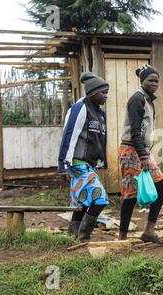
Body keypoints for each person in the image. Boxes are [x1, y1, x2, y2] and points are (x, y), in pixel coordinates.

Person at [119, 64, 163, 244]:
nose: (154, 83)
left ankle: (149, 231)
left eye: (157, 81)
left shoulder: (148, 100)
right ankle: (122, 237)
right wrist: (143, 156)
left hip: (142, 151)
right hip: (132, 151)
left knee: (162, 186)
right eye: (150, 80)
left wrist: (146, 153)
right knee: (130, 195)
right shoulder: (137, 99)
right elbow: (135, 132)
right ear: (142, 81)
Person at [58, 72, 109, 242]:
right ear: (92, 92)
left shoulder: (101, 114)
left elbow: (101, 140)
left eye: (107, 92)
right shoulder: (81, 107)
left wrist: (102, 161)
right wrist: (63, 164)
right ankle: (83, 237)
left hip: (90, 164)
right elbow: (69, 135)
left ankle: (72, 236)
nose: (106, 96)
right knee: (99, 199)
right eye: (102, 92)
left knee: (81, 203)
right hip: (78, 163)